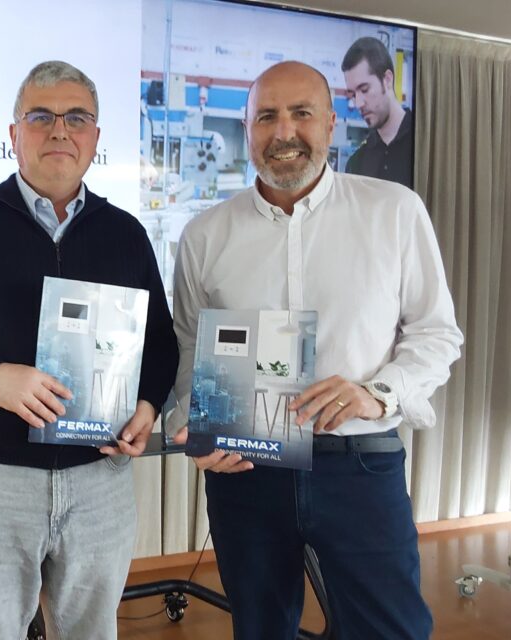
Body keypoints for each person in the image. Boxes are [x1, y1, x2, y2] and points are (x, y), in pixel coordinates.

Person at [0, 60, 178, 639]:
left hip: (100, 478)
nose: (60, 130)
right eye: (41, 116)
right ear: (13, 134)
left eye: (77, 118)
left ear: (96, 137)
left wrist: (147, 405)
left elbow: (161, 342)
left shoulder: (126, 234)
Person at [170, 61, 462, 639]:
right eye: (266, 117)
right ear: (248, 129)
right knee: (260, 628)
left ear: (331, 123)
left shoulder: (394, 211)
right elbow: (188, 349)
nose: (284, 132)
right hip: (245, 471)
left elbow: (437, 333)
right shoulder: (204, 235)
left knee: (391, 629)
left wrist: (378, 393)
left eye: (301, 113)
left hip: (359, 462)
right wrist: (196, 429)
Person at [341, 36, 414, 187]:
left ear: (387, 80)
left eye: (364, 89)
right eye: (353, 95)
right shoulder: (357, 163)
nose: (358, 103)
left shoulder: (424, 142)